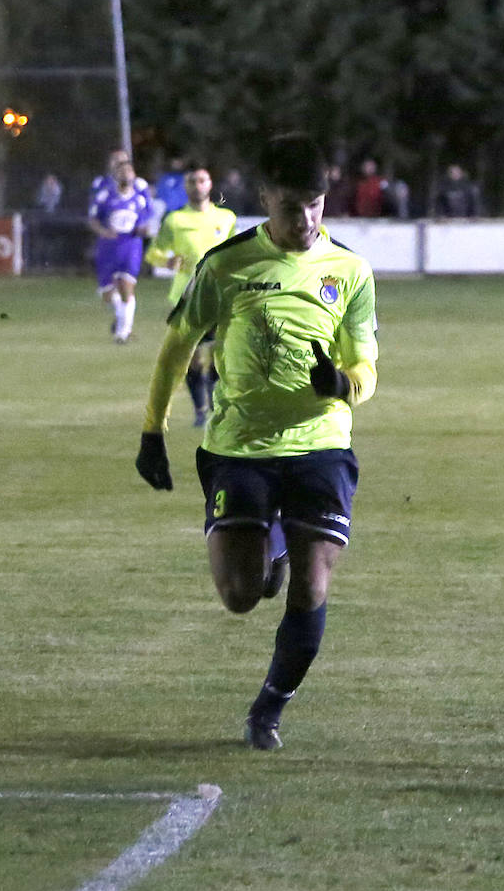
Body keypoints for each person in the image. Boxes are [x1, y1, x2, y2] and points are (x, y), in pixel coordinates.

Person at [135, 132, 379, 752]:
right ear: (265, 196)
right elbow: (177, 346)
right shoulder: (226, 265)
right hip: (239, 447)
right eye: (292, 206)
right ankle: (268, 541)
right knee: (241, 596)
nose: (306, 220)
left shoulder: (350, 270)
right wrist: (151, 431)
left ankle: (268, 708)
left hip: (321, 442)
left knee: (315, 578)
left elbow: (368, 364)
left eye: (317, 205)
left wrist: (345, 383)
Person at [145, 164, 238, 427]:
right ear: (186, 187)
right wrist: (168, 260)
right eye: (192, 181)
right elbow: (153, 253)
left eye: (202, 180)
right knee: (194, 359)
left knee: (223, 357)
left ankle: (219, 409)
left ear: (210, 184)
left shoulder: (226, 218)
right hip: (186, 297)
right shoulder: (175, 220)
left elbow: (234, 254)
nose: (197, 186)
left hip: (221, 297)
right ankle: (201, 410)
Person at [89, 155, 156, 343]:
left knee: (127, 286)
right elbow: (93, 219)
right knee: (107, 292)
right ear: (115, 175)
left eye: (129, 171)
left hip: (131, 244)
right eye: (121, 171)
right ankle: (121, 317)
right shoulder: (105, 196)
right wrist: (103, 231)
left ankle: (123, 332)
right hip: (109, 245)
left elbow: (145, 221)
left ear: (134, 175)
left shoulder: (139, 199)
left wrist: (143, 229)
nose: (126, 174)